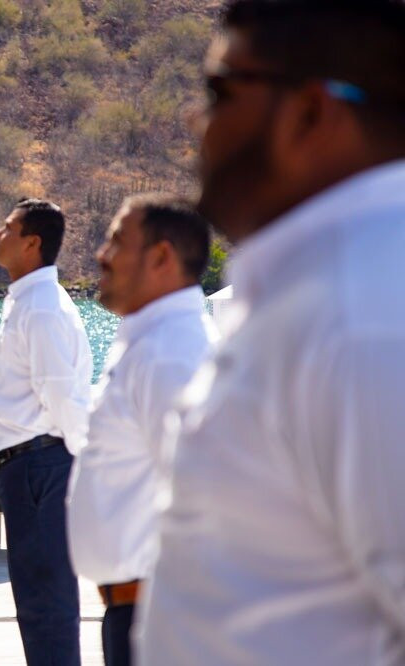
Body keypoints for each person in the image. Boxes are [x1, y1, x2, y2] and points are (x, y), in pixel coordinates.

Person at [137, 1, 405, 664]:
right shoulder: (330, 292)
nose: (194, 118)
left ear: (312, 112)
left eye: (220, 91)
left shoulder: (365, 320)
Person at [66, 194, 217, 666]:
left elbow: (207, 503)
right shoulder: (155, 343)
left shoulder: (171, 354)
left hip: (162, 618)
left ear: (161, 257)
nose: (100, 254)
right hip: (141, 610)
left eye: (115, 241)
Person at [0, 198, 93, 666]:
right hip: (28, 464)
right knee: (36, 600)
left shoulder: (43, 307)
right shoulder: (28, 300)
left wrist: (83, 469)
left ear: (32, 242)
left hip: (41, 462)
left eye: (7, 228)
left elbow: (61, 395)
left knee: (47, 599)